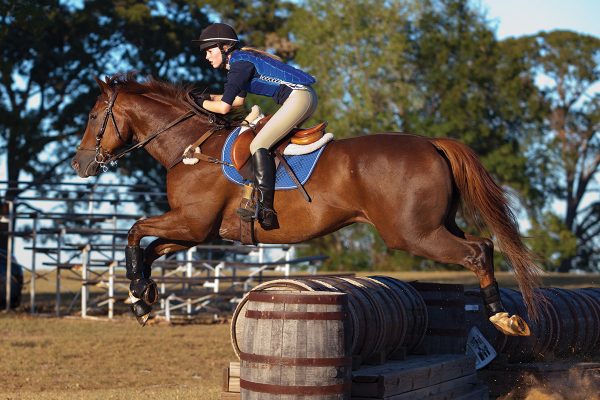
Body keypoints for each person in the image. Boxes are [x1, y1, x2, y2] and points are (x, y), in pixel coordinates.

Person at [192, 23, 318, 230]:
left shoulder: (240, 65)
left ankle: (266, 208)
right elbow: (236, 102)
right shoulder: (240, 63)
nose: (206, 56)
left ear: (225, 48)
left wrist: (197, 103)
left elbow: (223, 108)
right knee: (265, 141)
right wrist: (203, 97)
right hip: (303, 96)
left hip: (299, 97)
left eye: (209, 51)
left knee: (258, 144)